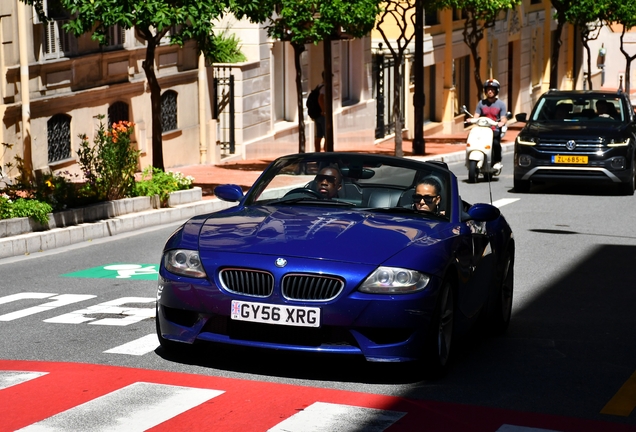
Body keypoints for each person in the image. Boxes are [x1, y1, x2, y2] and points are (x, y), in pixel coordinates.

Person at [473, 79, 507, 171]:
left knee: (495, 143)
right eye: (488, 89)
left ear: (496, 91)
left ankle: (497, 161)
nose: (490, 91)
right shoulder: (481, 103)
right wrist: (471, 120)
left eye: (492, 89)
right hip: (482, 130)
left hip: (494, 130)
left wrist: (502, 122)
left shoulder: (501, 104)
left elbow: (503, 117)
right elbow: (476, 115)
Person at [315, 73, 326, 152]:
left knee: (318, 136)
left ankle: (317, 154)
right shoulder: (324, 88)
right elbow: (320, 98)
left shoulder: (319, 86)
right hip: (322, 115)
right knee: (327, 136)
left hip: (317, 114)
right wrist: (324, 110)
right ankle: (327, 155)